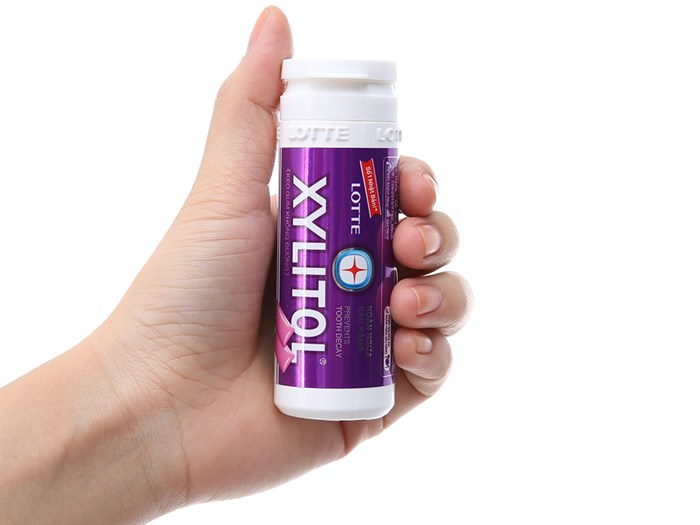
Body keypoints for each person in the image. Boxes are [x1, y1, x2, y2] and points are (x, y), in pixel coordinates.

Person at [0, 6, 472, 524]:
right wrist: (153, 406)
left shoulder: (355, 134)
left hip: (339, 362)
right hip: (276, 368)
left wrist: (151, 423)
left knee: (398, 251)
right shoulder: (315, 128)